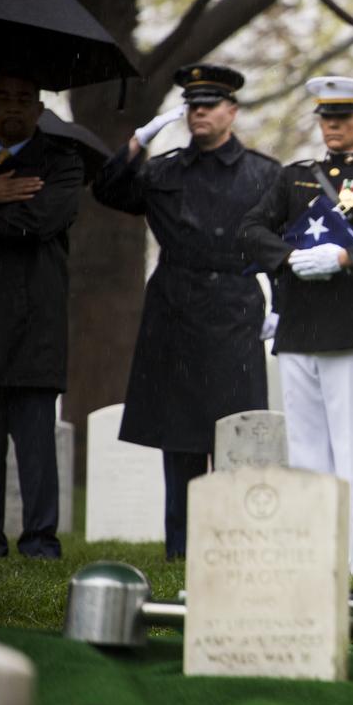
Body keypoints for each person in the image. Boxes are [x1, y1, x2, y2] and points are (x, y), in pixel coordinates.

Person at [92, 63, 280, 560]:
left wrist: (280, 302)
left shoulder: (264, 172)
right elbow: (108, 190)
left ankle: (238, 545)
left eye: (210, 105)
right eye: (192, 106)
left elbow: (287, 240)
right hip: (176, 306)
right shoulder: (164, 168)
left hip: (236, 307)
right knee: (180, 437)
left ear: (232, 111)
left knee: (236, 432)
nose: (199, 114)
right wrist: (138, 141)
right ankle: (180, 548)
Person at [238, 76, 353, 578]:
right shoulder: (295, 177)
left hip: (352, 327)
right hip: (299, 324)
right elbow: (250, 230)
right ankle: (310, 557)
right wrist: (287, 258)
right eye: (327, 119)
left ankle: (352, 566)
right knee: (306, 449)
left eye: (344, 119)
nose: (334, 127)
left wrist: (351, 255)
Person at [0, 71, 83, 560]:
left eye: (22, 99)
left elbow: (38, 222)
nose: (11, 107)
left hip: (35, 323)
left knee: (35, 444)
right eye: (1, 96)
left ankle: (40, 541)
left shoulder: (63, 163)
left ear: (39, 109)